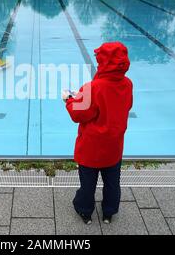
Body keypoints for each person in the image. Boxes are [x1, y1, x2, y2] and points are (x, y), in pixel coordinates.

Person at [63, 42, 133, 225]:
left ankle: (85, 211)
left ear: (104, 63)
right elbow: (126, 106)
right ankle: (109, 212)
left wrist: (68, 99)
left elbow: (77, 114)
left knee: (88, 185)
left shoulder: (93, 87)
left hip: (91, 150)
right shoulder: (127, 84)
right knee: (112, 184)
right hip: (114, 148)